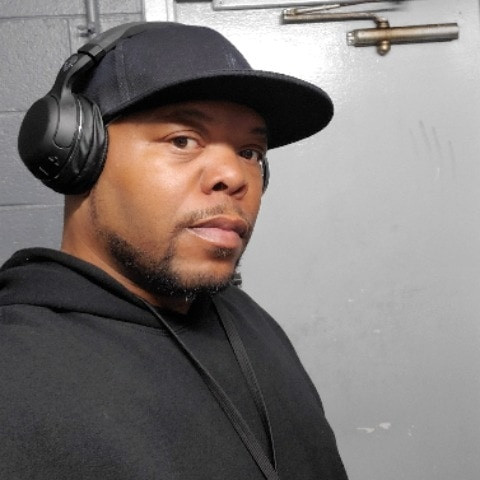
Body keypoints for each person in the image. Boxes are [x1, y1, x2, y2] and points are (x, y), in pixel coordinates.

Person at [0, 22, 348, 479]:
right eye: (182, 140)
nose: (234, 176)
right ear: (79, 155)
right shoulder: (14, 374)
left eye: (250, 152)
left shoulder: (249, 321)